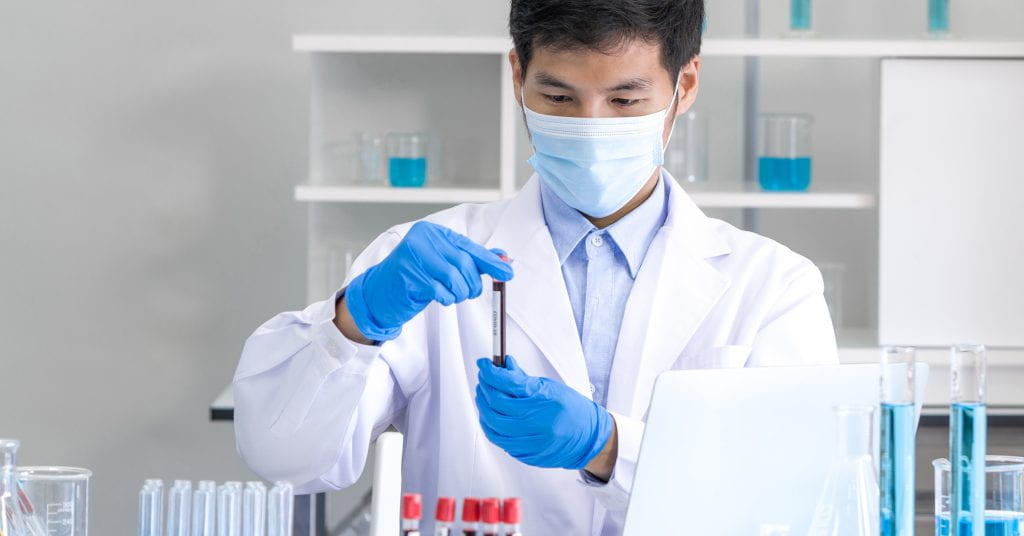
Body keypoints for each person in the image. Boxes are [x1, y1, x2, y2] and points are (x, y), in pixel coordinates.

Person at [233, 0, 838, 533]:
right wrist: (355, 323)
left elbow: (795, 500)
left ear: (685, 84)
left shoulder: (772, 286)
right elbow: (286, 457)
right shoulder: (428, 254)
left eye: (626, 99)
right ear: (518, 75)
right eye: (558, 97)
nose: (591, 126)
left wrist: (608, 447)